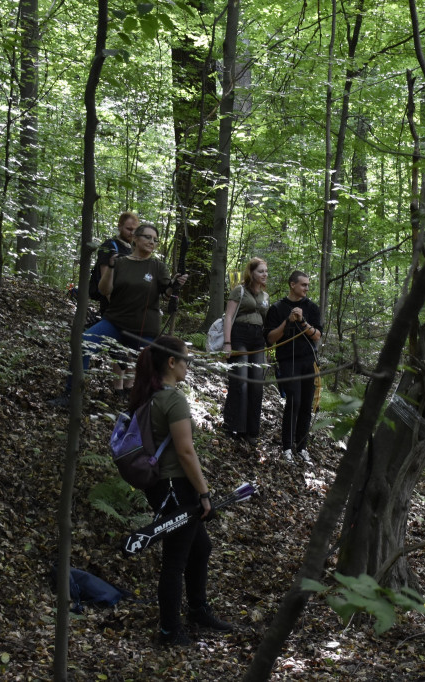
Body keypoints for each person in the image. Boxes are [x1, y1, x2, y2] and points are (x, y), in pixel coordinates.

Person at [129, 335, 232, 645]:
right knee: (175, 560)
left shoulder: (150, 396)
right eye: (186, 359)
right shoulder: (173, 400)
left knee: (201, 548)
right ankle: (170, 630)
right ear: (172, 362)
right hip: (176, 489)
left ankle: (198, 609)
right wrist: (204, 494)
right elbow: (186, 452)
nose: (189, 364)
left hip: (161, 487)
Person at [51, 223, 186, 404]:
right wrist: (111, 267)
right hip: (114, 323)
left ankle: (153, 406)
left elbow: (166, 294)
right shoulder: (120, 262)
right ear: (135, 239)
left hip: (143, 329)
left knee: (155, 365)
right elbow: (104, 290)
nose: (151, 242)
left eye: (155, 239)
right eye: (147, 237)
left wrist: (174, 285)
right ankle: (72, 395)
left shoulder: (157, 266)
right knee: (83, 344)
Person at [265, 270, 322, 465]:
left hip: (308, 360)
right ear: (292, 285)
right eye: (303, 285)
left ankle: (302, 447)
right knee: (294, 401)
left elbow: (317, 336)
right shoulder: (277, 308)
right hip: (288, 361)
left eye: (308, 285)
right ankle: (287, 447)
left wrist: (303, 321)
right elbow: (270, 338)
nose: (307, 288)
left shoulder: (312, 308)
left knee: (306, 404)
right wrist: (288, 321)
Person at [221, 258, 269, 446]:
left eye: (266, 271)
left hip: (258, 339)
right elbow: (228, 317)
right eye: (260, 271)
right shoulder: (239, 290)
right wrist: (227, 343)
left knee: (256, 384)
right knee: (240, 381)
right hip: (239, 336)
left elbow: (266, 322)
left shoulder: (265, 296)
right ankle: (233, 426)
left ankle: (251, 430)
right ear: (251, 273)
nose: (264, 274)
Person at [88, 211, 137, 320]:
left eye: (135, 230)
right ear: (119, 226)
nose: (132, 233)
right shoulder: (109, 246)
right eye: (129, 229)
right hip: (112, 307)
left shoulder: (133, 249)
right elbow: (105, 279)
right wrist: (117, 307)